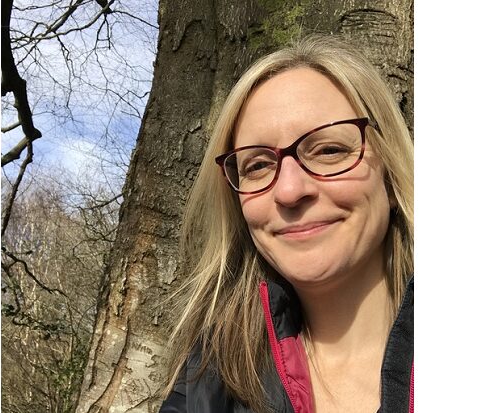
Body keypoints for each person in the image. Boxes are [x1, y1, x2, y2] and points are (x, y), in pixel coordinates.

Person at [159, 35, 414, 413]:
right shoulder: (208, 383)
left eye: (329, 150)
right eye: (258, 165)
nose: (290, 191)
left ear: (390, 177)